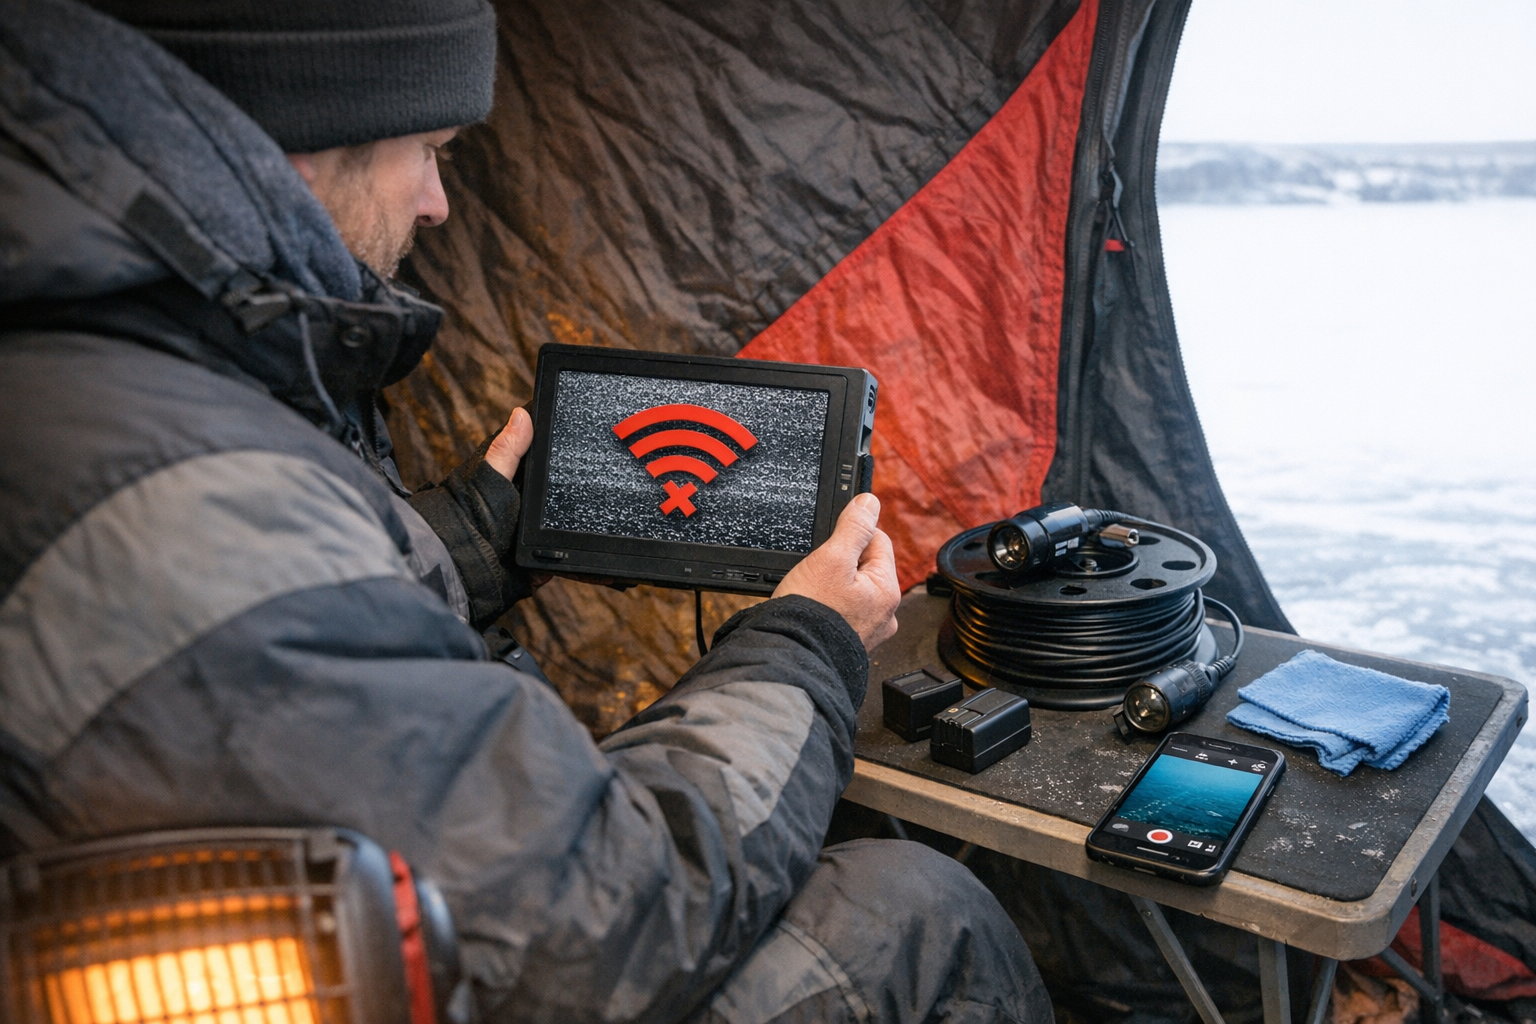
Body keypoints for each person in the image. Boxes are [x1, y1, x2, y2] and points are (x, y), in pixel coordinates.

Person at [0, 1, 1053, 1021]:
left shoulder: (96, 373)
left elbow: (283, 634)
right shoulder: (175, 492)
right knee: (922, 912)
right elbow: (598, 917)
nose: (439, 204)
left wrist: (469, 537)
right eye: (430, 149)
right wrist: (808, 642)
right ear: (304, 148)